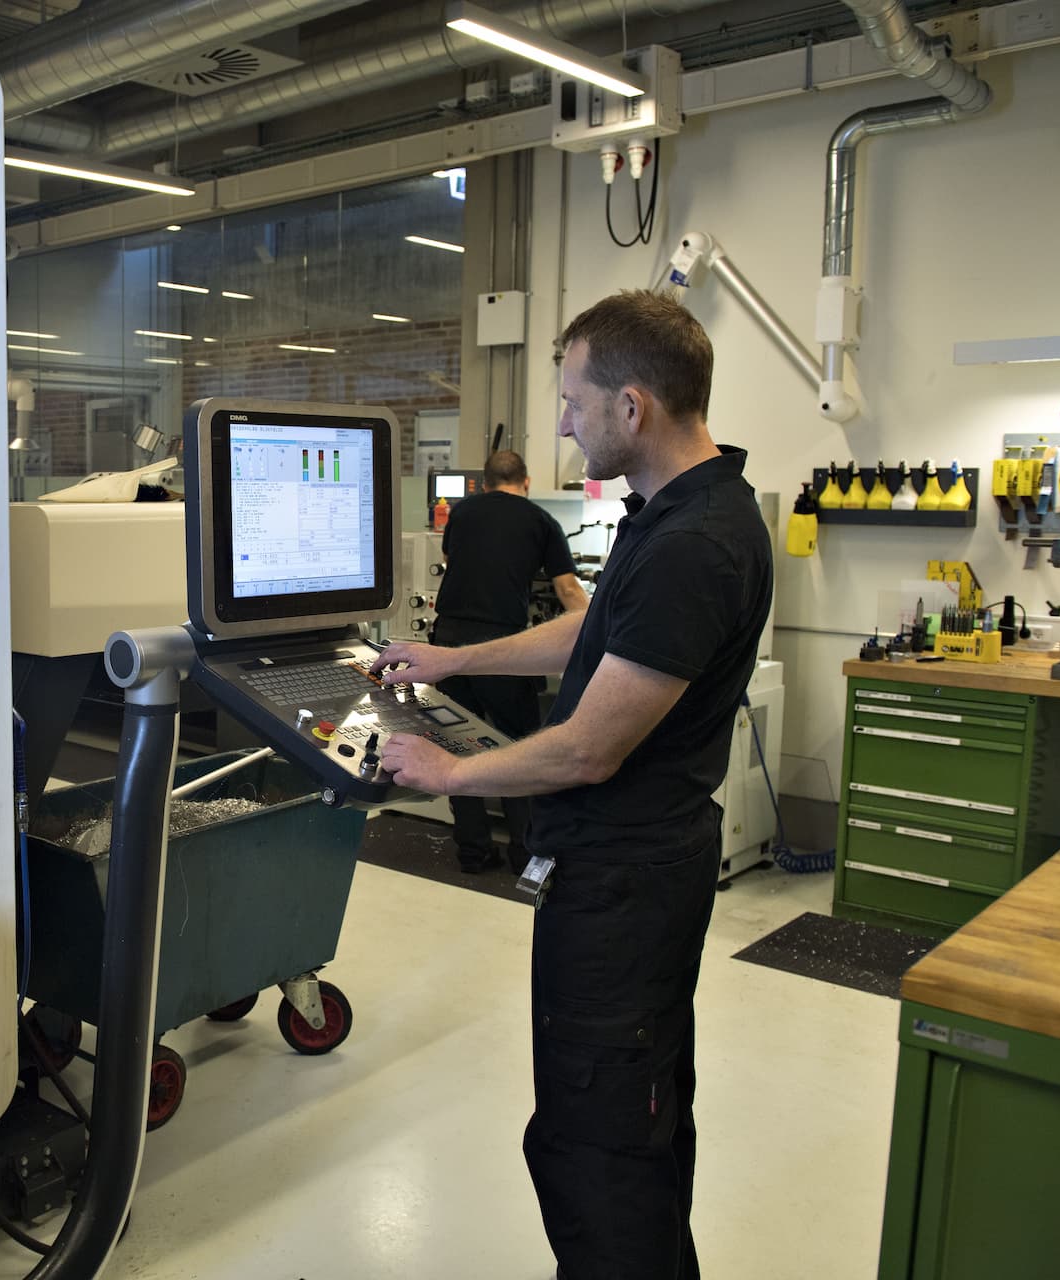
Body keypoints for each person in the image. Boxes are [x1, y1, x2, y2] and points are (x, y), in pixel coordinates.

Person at [375, 290, 773, 1278]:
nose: (561, 422)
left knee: (599, 1144)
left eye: (572, 400)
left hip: (624, 887)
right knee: (634, 1117)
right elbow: (593, 631)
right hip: (634, 872)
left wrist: (450, 769)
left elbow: (589, 749)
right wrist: (455, 659)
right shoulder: (678, 508)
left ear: (632, 406)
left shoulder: (692, 545)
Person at [433, 448, 588, 872]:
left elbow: (451, 561)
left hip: (447, 643)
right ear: (527, 482)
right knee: (518, 745)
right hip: (500, 649)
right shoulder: (540, 520)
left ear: (485, 483)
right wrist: (599, 630)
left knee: (458, 744)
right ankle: (525, 852)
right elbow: (568, 590)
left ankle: (473, 851)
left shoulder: (461, 513)